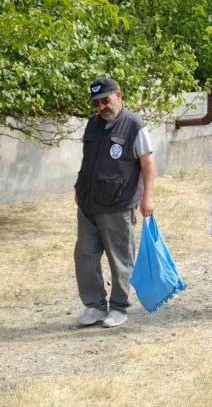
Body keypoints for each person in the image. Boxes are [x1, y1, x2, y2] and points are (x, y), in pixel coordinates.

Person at [73, 77, 155, 328]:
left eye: (105, 100)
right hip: (89, 203)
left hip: (119, 203)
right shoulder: (93, 124)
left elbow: (147, 164)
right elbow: (88, 160)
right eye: (96, 103)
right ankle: (95, 306)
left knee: (120, 258)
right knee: (84, 256)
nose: (101, 107)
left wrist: (147, 196)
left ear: (118, 96)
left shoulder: (134, 125)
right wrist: (79, 187)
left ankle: (119, 307)